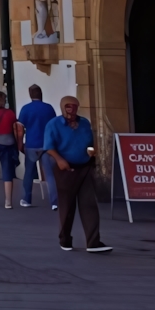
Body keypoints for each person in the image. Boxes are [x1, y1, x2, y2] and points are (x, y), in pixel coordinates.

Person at [45, 96, 111, 252]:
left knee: (89, 203)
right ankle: (65, 239)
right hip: (65, 169)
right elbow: (49, 147)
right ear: (62, 108)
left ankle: (93, 242)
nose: (71, 112)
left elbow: (90, 143)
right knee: (67, 206)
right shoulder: (53, 124)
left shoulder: (84, 123)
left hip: (85, 167)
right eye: (68, 108)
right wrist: (59, 159)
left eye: (74, 108)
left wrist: (93, 151)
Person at [17, 85, 58, 209]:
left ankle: (27, 199)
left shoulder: (25, 109)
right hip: (46, 145)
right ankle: (54, 202)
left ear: (30, 94)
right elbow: (53, 127)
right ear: (41, 93)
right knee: (50, 174)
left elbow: (20, 129)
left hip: (31, 144)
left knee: (29, 173)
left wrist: (20, 144)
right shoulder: (49, 108)